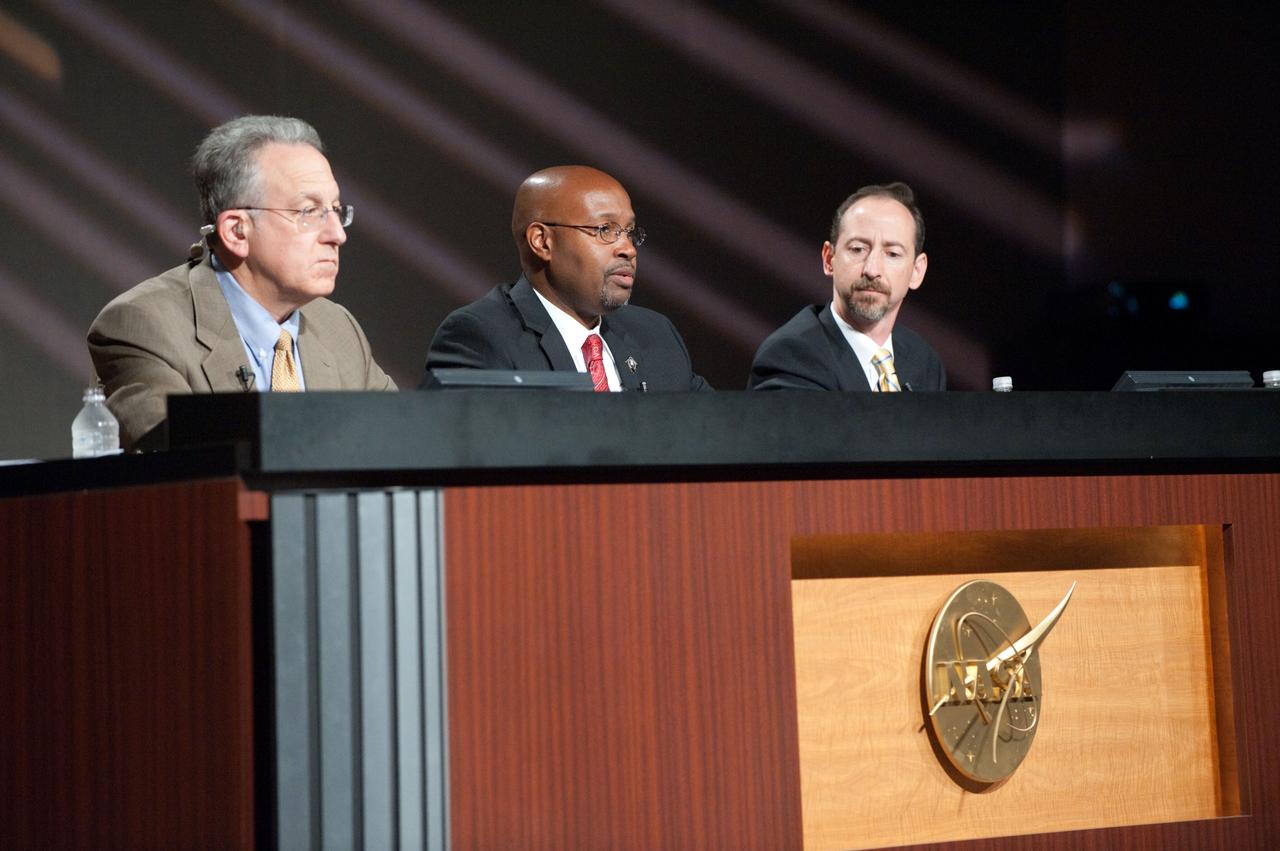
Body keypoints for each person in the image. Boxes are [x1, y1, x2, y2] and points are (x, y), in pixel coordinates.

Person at [88, 115, 395, 449]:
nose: (337, 235)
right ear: (236, 231)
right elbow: (187, 471)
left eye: (336, 210)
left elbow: (404, 448)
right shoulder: (143, 327)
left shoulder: (339, 329)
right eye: (309, 212)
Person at [424, 165, 710, 391]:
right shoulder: (480, 338)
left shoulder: (656, 334)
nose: (628, 249)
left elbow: (717, 437)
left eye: (630, 232)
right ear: (542, 241)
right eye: (604, 229)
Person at [748, 182, 945, 391]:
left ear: (917, 271)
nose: (872, 269)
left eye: (892, 254)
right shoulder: (792, 356)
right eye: (858, 249)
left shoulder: (925, 362)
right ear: (829, 258)